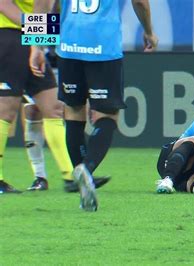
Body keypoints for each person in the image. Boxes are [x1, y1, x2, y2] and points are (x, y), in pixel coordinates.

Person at [31, 0, 158, 211]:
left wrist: (37, 46)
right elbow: (140, 2)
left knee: (73, 112)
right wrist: (149, 32)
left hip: (69, 48)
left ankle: (83, 184)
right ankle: (86, 170)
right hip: (103, 47)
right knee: (108, 116)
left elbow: (43, 2)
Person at [0, 0, 104, 193]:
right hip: (9, 35)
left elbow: (49, 7)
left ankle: (72, 176)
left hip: (32, 40)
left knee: (53, 107)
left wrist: (40, 37)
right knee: (5, 109)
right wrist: (36, 28)